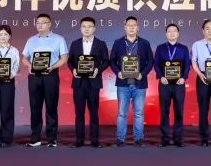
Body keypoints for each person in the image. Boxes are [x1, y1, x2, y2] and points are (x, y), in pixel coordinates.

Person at [21, 13, 69, 147]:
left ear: (49, 24)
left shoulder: (59, 39)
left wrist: (52, 66)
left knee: (51, 107)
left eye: (43, 23)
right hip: (34, 77)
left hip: (50, 75)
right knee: (35, 107)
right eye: (38, 23)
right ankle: (35, 138)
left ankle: (52, 139)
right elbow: (24, 58)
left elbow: (64, 58)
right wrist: (29, 65)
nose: (40, 25)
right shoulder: (31, 40)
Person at [109, 16, 154, 146]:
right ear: (125, 27)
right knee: (121, 113)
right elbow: (112, 61)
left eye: (134, 25)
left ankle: (139, 138)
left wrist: (142, 74)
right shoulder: (118, 42)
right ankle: (120, 139)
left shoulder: (145, 43)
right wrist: (118, 72)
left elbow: (151, 61)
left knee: (139, 113)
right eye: (129, 25)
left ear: (138, 27)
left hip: (139, 83)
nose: (132, 27)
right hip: (122, 84)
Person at [67, 16, 110, 147]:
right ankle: (79, 140)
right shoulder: (75, 43)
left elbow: (106, 61)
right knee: (79, 112)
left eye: (89, 26)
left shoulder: (101, 44)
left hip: (93, 82)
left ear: (94, 28)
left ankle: (94, 140)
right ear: (80, 28)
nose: (86, 29)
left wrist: (97, 70)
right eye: (84, 26)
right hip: (79, 83)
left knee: (94, 112)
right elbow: (70, 61)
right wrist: (73, 70)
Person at [154, 23, 191, 147]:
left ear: (178, 33)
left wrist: (183, 77)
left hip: (179, 84)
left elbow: (187, 65)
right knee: (164, 112)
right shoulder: (160, 48)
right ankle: (165, 139)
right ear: (166, 34)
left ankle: (178, 139)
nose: (172, 33)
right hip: (164, 84)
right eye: (169, 31)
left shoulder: (184, 48)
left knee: (179, 111)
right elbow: (156, 64)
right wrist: (161, 76)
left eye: (174, 31)